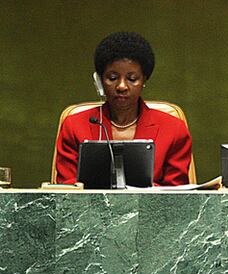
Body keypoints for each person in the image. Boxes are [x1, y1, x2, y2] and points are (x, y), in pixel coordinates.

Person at [55, 31, 193, 186]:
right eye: (112, 78)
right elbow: (66, 191)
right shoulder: (74, 126)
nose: (121, 86)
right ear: (100, 81)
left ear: (144, 80)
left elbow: (178, 196)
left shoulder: (174, 129)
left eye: (132, 79)